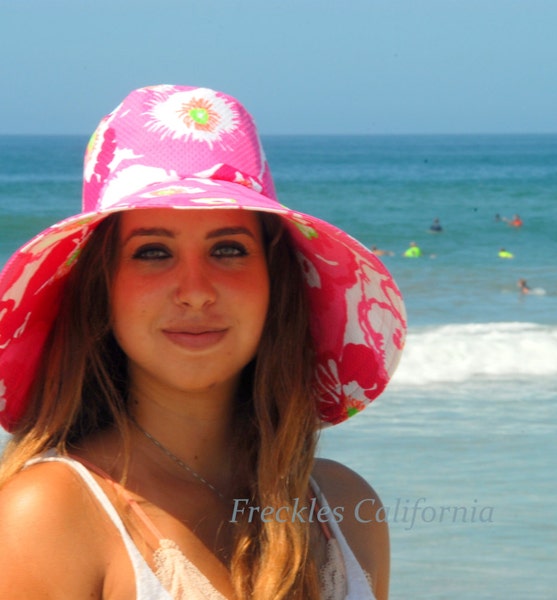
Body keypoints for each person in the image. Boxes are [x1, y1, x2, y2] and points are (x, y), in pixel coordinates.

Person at [0, 86, 406, 599]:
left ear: (273, 281)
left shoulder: (344, 509)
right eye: (152, 252)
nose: (195, 291)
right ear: (103, 290)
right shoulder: (50, 515)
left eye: (228, 248)